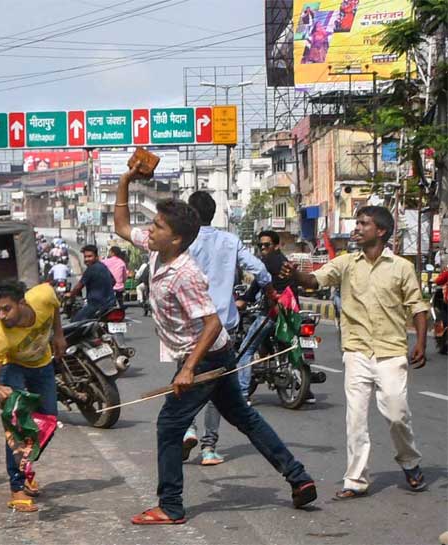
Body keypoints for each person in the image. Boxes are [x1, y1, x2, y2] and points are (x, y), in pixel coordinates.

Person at [114, 165, 316, 524]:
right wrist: (127, 181)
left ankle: (171, 505)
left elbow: (211, 322)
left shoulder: (186, 273)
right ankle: (298, 478)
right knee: (245, 418)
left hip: (205, 355)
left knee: (169, 425)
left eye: (158, 227)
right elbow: (121, 226)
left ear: (176, 239)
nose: (150, 231)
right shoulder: (158, 250)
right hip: (211, 352)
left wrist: (189, 368)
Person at [284, 206, 429, 499]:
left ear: (381, 231)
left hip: (390, 350)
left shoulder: (401, 267)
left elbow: (417, 306)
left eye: (364, 223)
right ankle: (355, 480)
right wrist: (296, 275)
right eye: (357, 223)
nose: (357, 228)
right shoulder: (346, 263)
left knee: (396, 412)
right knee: (356, 418)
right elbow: (315, 281)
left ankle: (410, 461)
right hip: (356, 350)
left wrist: (421, 344)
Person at [182, 191, 272, 466]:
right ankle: (209, 448)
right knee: (215, 388)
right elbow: (259, 269)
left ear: (191, 214)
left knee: (184, 378)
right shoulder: (230, 240)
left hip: (189, 324)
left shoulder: (184, 241)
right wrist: (271, 293)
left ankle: (188, 428)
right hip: (222, 327)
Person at [0, 280, 66, 513]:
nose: (1, 315)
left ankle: (26, 467)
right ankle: (17, 488)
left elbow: (55, 307)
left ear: (22, 302)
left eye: (6, 308)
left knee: (47, 423)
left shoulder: (43, 295)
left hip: (43, 365)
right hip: (14, 368)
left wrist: (58, 335)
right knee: (18, 426)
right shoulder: (0, 334)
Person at [235, 230, 315, 405]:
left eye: (267, 245)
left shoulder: (268, 262)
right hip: (292, 313)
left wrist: (243, 300)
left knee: (245, 351)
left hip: (272, 313)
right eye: (260, 245)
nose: (263, 248)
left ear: (277, 245)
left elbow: (258, 284)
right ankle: (306, 390)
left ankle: (242, 394)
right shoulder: (285, 262)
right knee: (292, 347)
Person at [67, 244, 118, 321]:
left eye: (90, 256)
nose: (87, 259)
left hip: (96, 305)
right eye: (85, 257)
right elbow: (113, 281)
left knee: (74, 321)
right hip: (111, 304)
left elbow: (78, 287)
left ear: (96, 257)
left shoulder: (91, 269)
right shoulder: (103, 266)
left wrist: (70, 295)